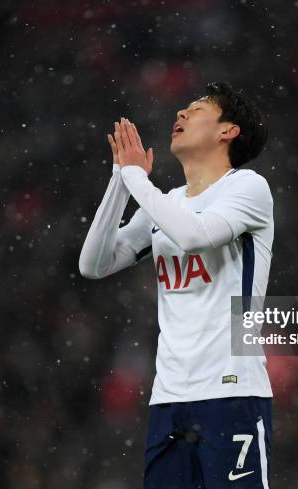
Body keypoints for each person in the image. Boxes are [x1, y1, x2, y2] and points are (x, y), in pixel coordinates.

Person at [79, 81, 274, 489]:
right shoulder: (166, 203)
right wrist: (120, 178)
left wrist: (138, 181)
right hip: (169, 398)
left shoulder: (247, 188)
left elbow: (195, 236)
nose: (180, 115)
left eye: (197, 109)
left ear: (228, 130)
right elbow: (94, 264)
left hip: (231, 391)